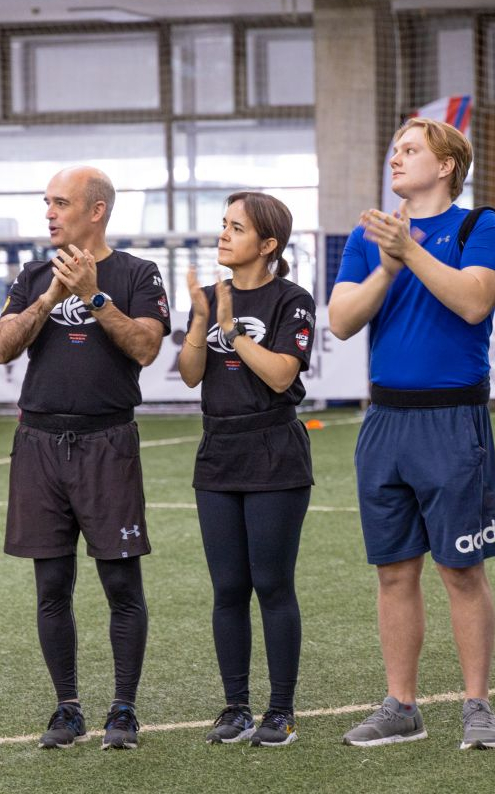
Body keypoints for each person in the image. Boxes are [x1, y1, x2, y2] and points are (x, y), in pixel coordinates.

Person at [328, 117, 495, 750]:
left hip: (453, 420)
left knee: (461, 570)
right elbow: (342, 321)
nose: (397, 159)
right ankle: (401, 706)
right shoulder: (369, 235)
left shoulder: (478, 226)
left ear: (446, 166)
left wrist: (410, 252)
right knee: (393, 572)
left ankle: (477, 705)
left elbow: (472, 301)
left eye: (410, 150)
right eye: (395, 150)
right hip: (384, 421)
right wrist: (385, 264)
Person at [0, 166, 169, 751]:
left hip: (106, 444)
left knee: (121, 583)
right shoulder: (35, 274)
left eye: (60, 203)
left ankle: (123, 709)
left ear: (96, 211)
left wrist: (93, 295)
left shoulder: (138, 273)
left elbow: (144, 347)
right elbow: (0, 347)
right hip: (39, 445)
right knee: (52, 586)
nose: (49, 213)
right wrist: (50, 297)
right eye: (46, 202)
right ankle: (67, 708)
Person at [178, 191, 315, 748]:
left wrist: (233, 330)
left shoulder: (292, 299)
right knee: (228, 587)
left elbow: (282, 375)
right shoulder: (211, 298)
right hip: (218, 454)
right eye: (223, 224)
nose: (224, 234)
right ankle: (235, 707)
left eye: (236, 227)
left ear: (268, 245)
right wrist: (203, 321)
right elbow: (189, 374)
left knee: (272, 584)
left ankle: (279, 712)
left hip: (274, 452)